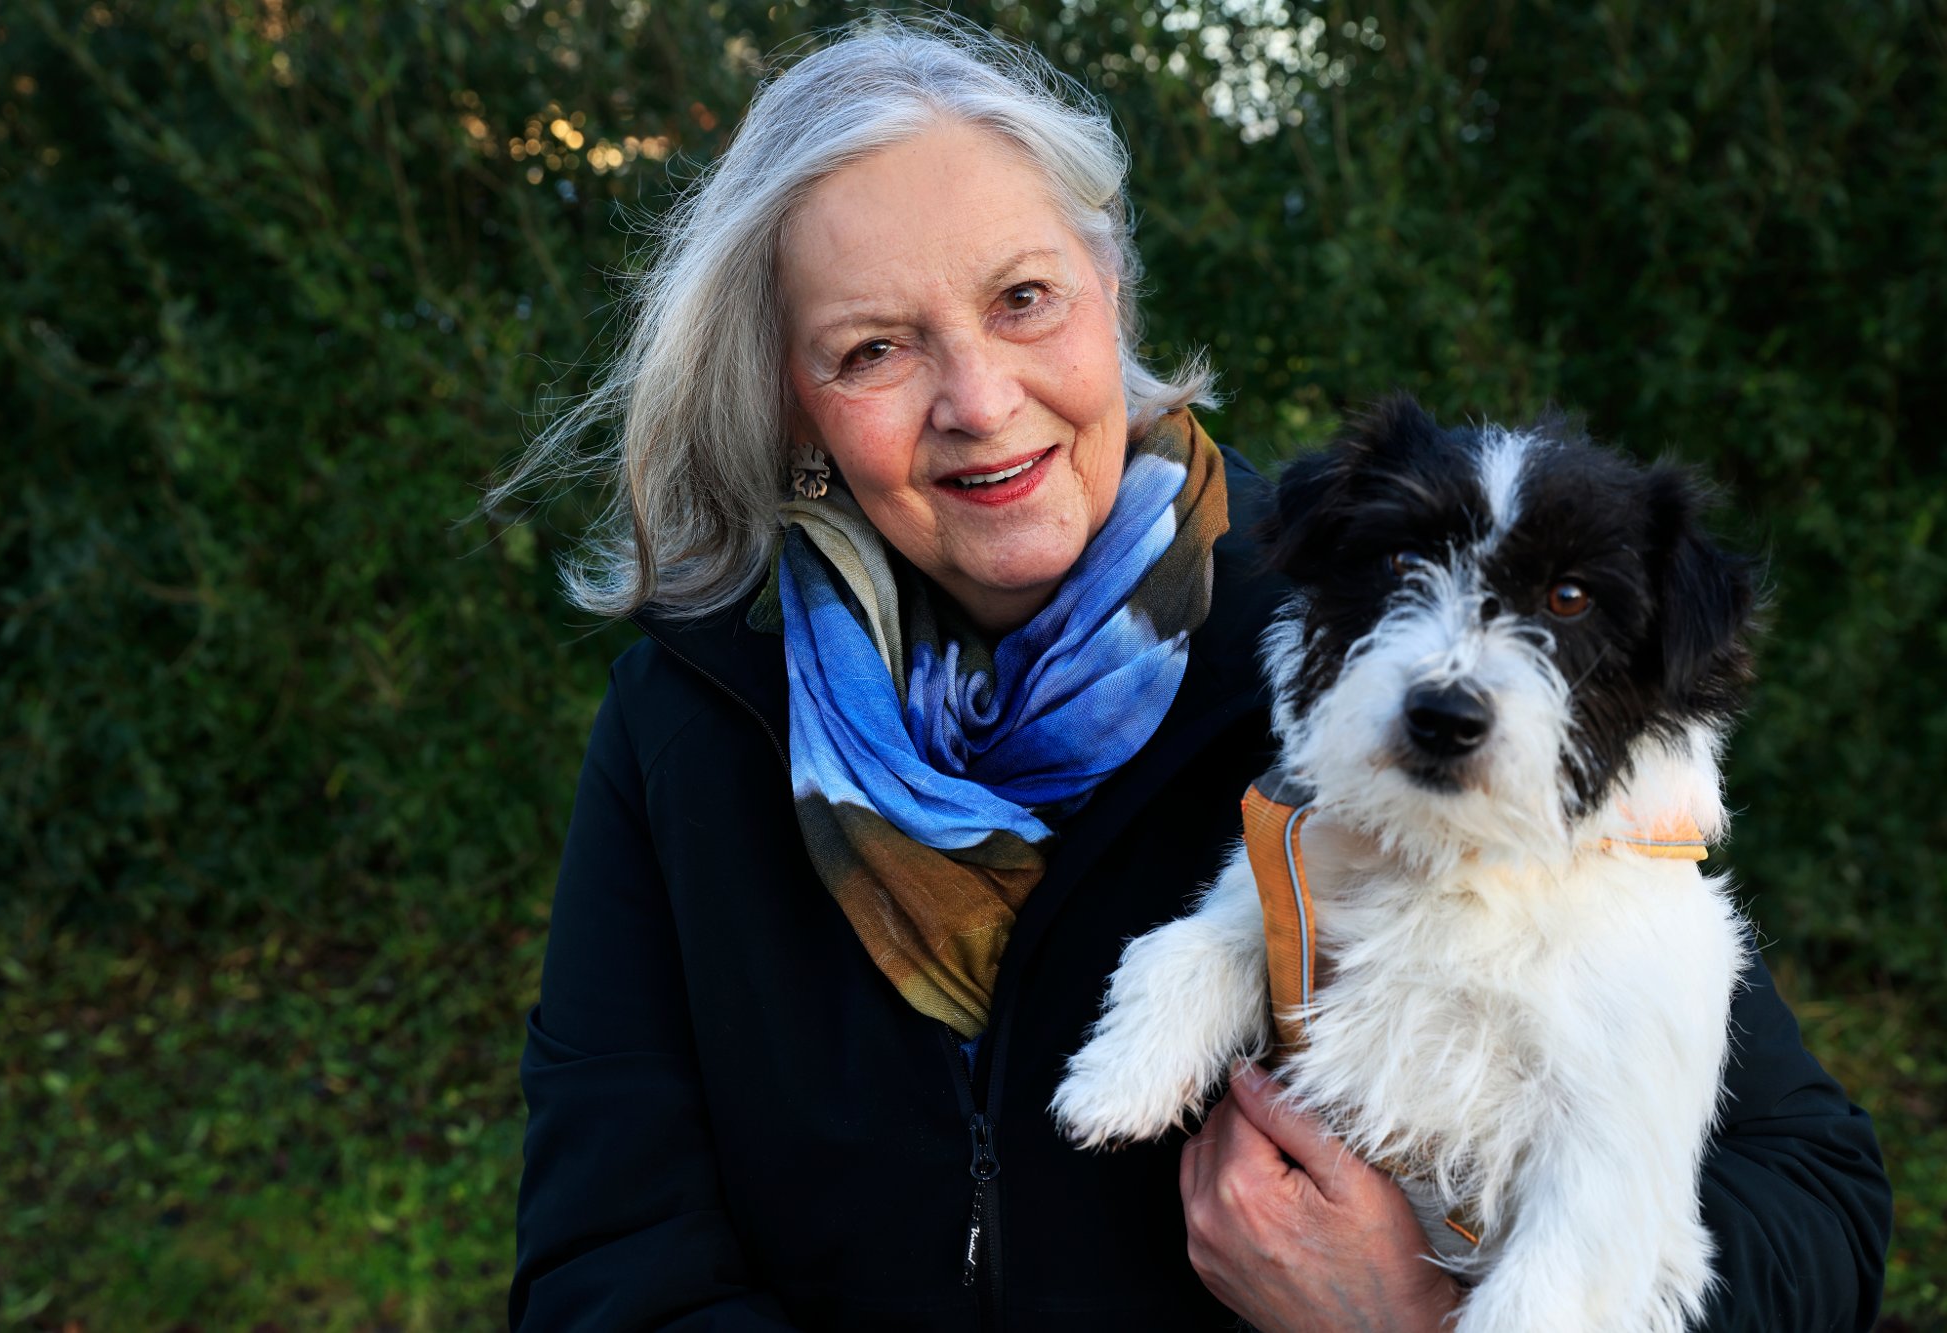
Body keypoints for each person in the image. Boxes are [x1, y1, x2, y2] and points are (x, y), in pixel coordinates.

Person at [496, 18, 1891, 1332]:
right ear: (794, 400)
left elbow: (1816, 1196)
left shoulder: (1360, 648)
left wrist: (1418, 1314)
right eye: (873, 347)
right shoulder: (695, 724)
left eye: (1024, 297)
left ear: (1111, 288)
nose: (978, 399)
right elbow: (609, 1271)